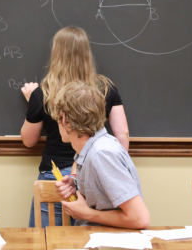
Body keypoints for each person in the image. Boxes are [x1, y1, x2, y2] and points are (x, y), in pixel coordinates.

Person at [20, 26, 129, 227]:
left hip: (57, 178)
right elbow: (122, 134)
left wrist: (33, 102)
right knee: (91, 238)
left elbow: (28, 140)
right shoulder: (105, 89)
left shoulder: (43, 93)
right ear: (87, 53)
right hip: (93, 174)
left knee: (46, 240)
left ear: (56, 54)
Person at [52, 82, 149, 229]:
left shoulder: (102, 154)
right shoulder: (90, 148)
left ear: (64, 119)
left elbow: (140, 219)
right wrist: (75, 183)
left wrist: (87, 214)